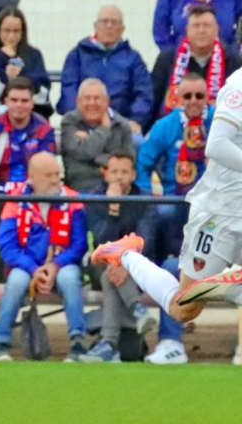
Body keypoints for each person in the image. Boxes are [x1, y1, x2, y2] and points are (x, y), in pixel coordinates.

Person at [93, 69, 242, 361]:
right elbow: (217, 145)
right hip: (221, 213)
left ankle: (228, 285)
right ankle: (125, 254)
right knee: (184, 307)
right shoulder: (239, 85)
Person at [135, 73, 214, 364]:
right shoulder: (166, 127)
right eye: (188, 96)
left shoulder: (223, 122)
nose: (194, 102)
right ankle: (170, 342)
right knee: (162, 215)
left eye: (199, 96)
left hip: (217, 209)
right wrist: (148, 193)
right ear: (178, 98)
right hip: (175, 201)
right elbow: (143, 163)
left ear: (208, 97)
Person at [0, 152, 88, 362]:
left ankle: (78, 342)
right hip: (26, 266)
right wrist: (34, 269)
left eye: (57, 174)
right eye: (48, 175)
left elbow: (79, 245)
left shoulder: (73, 200)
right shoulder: (14, 202)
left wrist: (54, 266)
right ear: (31, 177)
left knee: (70, 279)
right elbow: (7, 246)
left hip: (62, 265)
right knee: (16, 282)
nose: (55, 180)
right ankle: (1, 343)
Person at [0, 77, 56, 282]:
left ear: (32, 102)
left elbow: (45, 166)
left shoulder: (43, 128)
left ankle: (31, 269)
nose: (19, 105)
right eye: (14, 100)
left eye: (24, 100)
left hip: (32, 193)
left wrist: (27, 194)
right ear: (5, 101)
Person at [81, 153, 158, 363]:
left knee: (111, 278)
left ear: (133, 175)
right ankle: (137, 309)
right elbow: (100, 239)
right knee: (107, 271)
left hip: (134, 265)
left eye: (124, 172)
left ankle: (108, 344)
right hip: (101, 263)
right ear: (105, 174)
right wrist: (113, 207)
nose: (119, 177)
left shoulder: (143, 199)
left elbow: (145, 238)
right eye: (114, 172)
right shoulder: (95, 198)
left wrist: (126, 263)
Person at [58, 6, 152, 134]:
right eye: (105, 21)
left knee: (138, 144)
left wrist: (135, 120)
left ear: (122, 29)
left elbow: (144, 94)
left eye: (114, 22)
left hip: (122, 124)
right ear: (95, 26)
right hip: (83, 124)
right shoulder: (77, 55)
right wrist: (78, 120)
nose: (109, 26)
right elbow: (68, 91)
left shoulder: (133, 58)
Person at [150, 4, 242, 123]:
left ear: (217, 30)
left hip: (218, 127)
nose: (201, 30)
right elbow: (154, 99)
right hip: (173, 129)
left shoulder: (234, 60)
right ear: (187, 30)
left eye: (206, 26)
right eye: (196, 26)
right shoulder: (167, 59)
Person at [60, 78, 137, 193]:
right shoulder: (69, 122)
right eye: (87, 98)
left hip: (117, 186)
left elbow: (128, 163)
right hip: (81, 187)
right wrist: (104, 129)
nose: (92, 103)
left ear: (107, 101)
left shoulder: (122, 125)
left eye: (96, 98)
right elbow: (83, 153)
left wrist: (88, 144)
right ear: (78, 101)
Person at [0, 7, 51, 112]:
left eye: (16, 31)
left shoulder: (34, 54)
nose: (11, 36)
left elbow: (43, 91)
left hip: (34, 111)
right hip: (2, 112)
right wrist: (5, 72)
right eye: (6, 31)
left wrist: (21, 73)